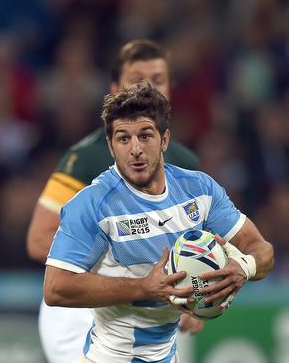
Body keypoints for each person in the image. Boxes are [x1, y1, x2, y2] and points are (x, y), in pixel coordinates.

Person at [43, 83, 274, 362]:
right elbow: (55, 288)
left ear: (164, 140)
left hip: (167, 356)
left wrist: (243, 268)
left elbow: (261, 250)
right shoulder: (93, 204)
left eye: (145, 135)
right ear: (110, 145)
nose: (135, 149)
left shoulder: (199, 189)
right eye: (123, 138)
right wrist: (144, 287)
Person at [27, 39, 203, 362]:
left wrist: (194, 297)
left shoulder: (186, 165)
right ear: (114, 89)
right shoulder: (86, 159)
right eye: (138, 80)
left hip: (153, 314)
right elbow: (39, 239)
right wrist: (127, 272)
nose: (149, 88)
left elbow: (196, 245)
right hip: (81, 315)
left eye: (159, 80)